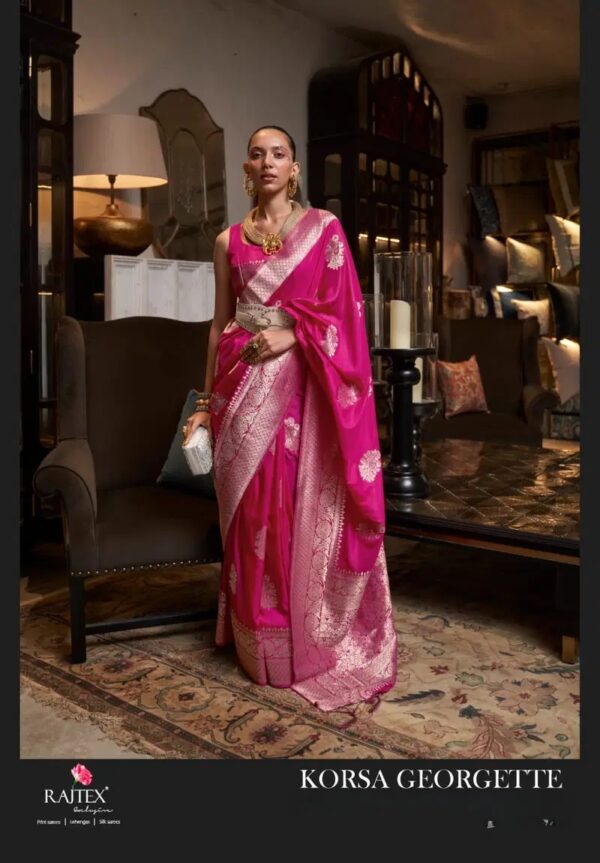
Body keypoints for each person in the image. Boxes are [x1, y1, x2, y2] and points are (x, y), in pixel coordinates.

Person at [183, 125, 397, 711]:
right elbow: (219, 324)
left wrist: (293, 334)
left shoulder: (324, 230)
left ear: (294, 168)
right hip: (238, 386)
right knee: (252, 513)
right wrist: (203, 405)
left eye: (279, 153)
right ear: (247, 169)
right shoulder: (228, 241)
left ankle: (299, 637)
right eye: (257, 154)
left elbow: (345, 314)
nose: (268, 162)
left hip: (301, 392)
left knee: (290, 509)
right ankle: (256, 643)